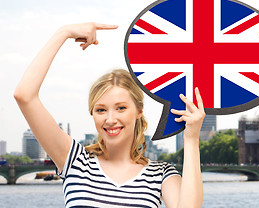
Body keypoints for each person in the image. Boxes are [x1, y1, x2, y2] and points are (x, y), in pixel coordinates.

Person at [13, 22, 204, 208]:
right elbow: (25, 96)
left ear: (138, 111)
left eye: (121, 108)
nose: (110, 119)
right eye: (101, 110)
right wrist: (64, 32)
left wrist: (191, 138)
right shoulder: (75, 161)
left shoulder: (160, 174)